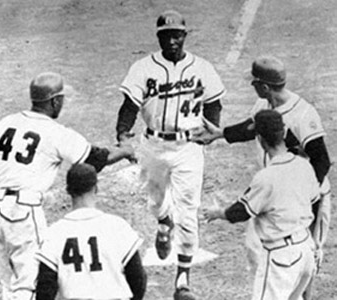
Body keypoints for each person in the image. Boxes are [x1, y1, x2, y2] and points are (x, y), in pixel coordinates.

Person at [0, 72, 136, 300]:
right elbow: (94, 159)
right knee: (30, 284)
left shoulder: (7, 122)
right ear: (55, 101)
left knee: (9, 285)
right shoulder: (55, 132)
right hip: (21, 212)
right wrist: (125, 150)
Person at [191, 56, 331, 298]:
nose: (251, 86)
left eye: (254, 82)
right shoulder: (264, 107)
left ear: (264, 86)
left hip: (307, 193)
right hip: (279, 191)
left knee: (307, 257)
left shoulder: (302, 114)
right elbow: (252, 127)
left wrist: (299, 198)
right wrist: (221, 134)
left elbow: (321, 161)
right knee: (276, 254)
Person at [115, 9, 226, 300]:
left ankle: (183, 280)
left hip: (188, 146)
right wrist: (123, 133)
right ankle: (165, 223)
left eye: (176, 35)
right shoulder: (142, 67)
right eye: (166, 36)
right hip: (153, 145)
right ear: (159, 37)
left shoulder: (202, 67)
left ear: (184, 36)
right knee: (155, 202)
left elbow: (214, 101)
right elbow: (129, 104)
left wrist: (211, 131)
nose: (172, 41)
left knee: (189, 210)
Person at [202, 109, 319, 300]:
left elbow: (241, 212)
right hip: (306, 250)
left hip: (282, 257)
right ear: (283, 133)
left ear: (260, 139)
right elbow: (314, 201)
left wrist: (218, 213)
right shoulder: (303, 165)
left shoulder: (266, 177)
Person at [35, 163, 147, 300]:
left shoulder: (55, 233)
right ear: (96, 188)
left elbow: (45, 288)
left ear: (68, 191)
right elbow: (138, 280)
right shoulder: (117, 226)